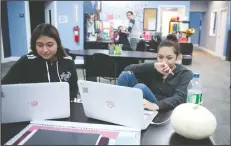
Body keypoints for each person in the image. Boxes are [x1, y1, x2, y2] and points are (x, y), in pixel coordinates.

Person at [1, 23, 78, 101]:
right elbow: (4, 85)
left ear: (57, 44)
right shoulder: (26, 61)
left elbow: (74, 88)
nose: (45, 50)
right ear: (35, 45)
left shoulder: (68, 61)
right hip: (34, 107)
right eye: (40, 45)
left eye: (50, 45)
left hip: (63, 106)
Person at [116, 34, 193, 111]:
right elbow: (127, 69)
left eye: (169, 58)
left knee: (140, 88)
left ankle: (127, 109)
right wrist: (153, 66)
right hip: (146, 101)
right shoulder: (155, 67)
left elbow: (180, 98)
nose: (164, 62)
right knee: (125, 76)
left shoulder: (185, 74)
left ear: (177, 57)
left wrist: (156, 105)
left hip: (162, 107)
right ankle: (119, 109)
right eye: (160, 57)